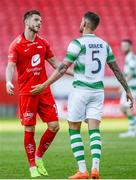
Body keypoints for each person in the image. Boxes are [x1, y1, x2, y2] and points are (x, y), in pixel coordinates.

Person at [30, 12, 133, 179]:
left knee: (74, 129)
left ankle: (83, 170)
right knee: (94, 131)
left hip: (81, 91)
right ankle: (95, 169)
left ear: (85, 23)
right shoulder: (104, 44)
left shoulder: (77, 43)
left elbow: (63, 68)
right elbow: (116, 69)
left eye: (80, 21)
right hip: (98, 92)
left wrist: (45, 85)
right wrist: (127, 90)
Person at [5, 10, 73, 178]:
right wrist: (8, 81)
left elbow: (56, 63)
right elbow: (10, 66)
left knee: (55, 126)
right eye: (36, 20)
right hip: (27, 93)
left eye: (41, 21)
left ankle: (39, 157)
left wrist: (76, 73)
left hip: (44, 91)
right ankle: (32, 166)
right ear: (26, 22)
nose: (39, 23)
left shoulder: (43, 43)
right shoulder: (16, 44)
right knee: (30, 129)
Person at [119, 39, 136, 137]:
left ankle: (132, 131)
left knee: (128, 108)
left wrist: (123, 84)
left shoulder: (131, 58)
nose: (123, 48)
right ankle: (134, 125)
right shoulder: (128, 57)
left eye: (125, 46)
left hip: (132, 88)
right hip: (128, 88)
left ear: (130, 47)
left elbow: (131, 73)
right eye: (122, 46)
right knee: (122, 108)